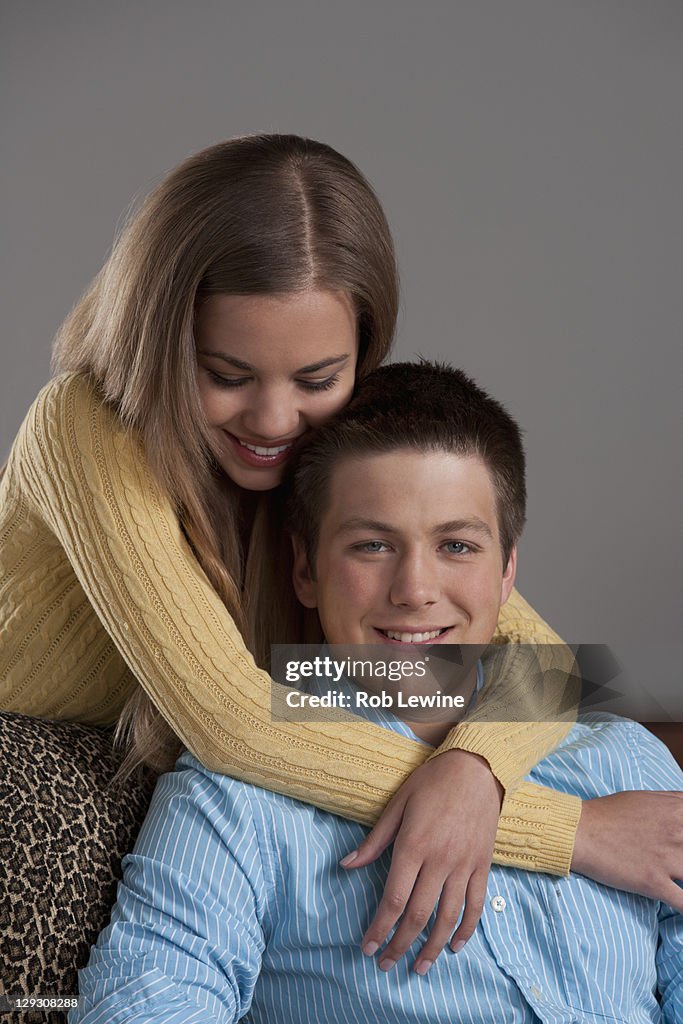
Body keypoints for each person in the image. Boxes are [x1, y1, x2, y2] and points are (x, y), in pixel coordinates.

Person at [0, 134, 624, 958]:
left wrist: (475, 772)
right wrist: (567, 831)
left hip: (216, 758)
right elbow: (230, 720)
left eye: (317, 380)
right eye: (226, 374)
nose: (271, 422)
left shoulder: (328, 459)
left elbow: (541, 663)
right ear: (159, 338)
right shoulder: (81, 424)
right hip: (42, 776)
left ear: (362, 354)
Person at [71, 361, 683, 1024]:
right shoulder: (236, 794)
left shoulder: (626, 762)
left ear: (507, 572)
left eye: (455, 545)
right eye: (371, 545)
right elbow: (137, 1008)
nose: (414, 590)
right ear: (305, 570)